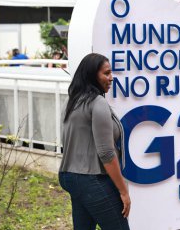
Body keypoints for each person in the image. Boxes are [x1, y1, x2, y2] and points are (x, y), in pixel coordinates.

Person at [58, 53, 130, 230]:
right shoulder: (97, 103)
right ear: (92, 75)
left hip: (70, 175)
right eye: (106, 73)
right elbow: (106, 153)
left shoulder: (72, 100)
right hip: (91, 178)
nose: (111, 78)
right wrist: (123, 191)